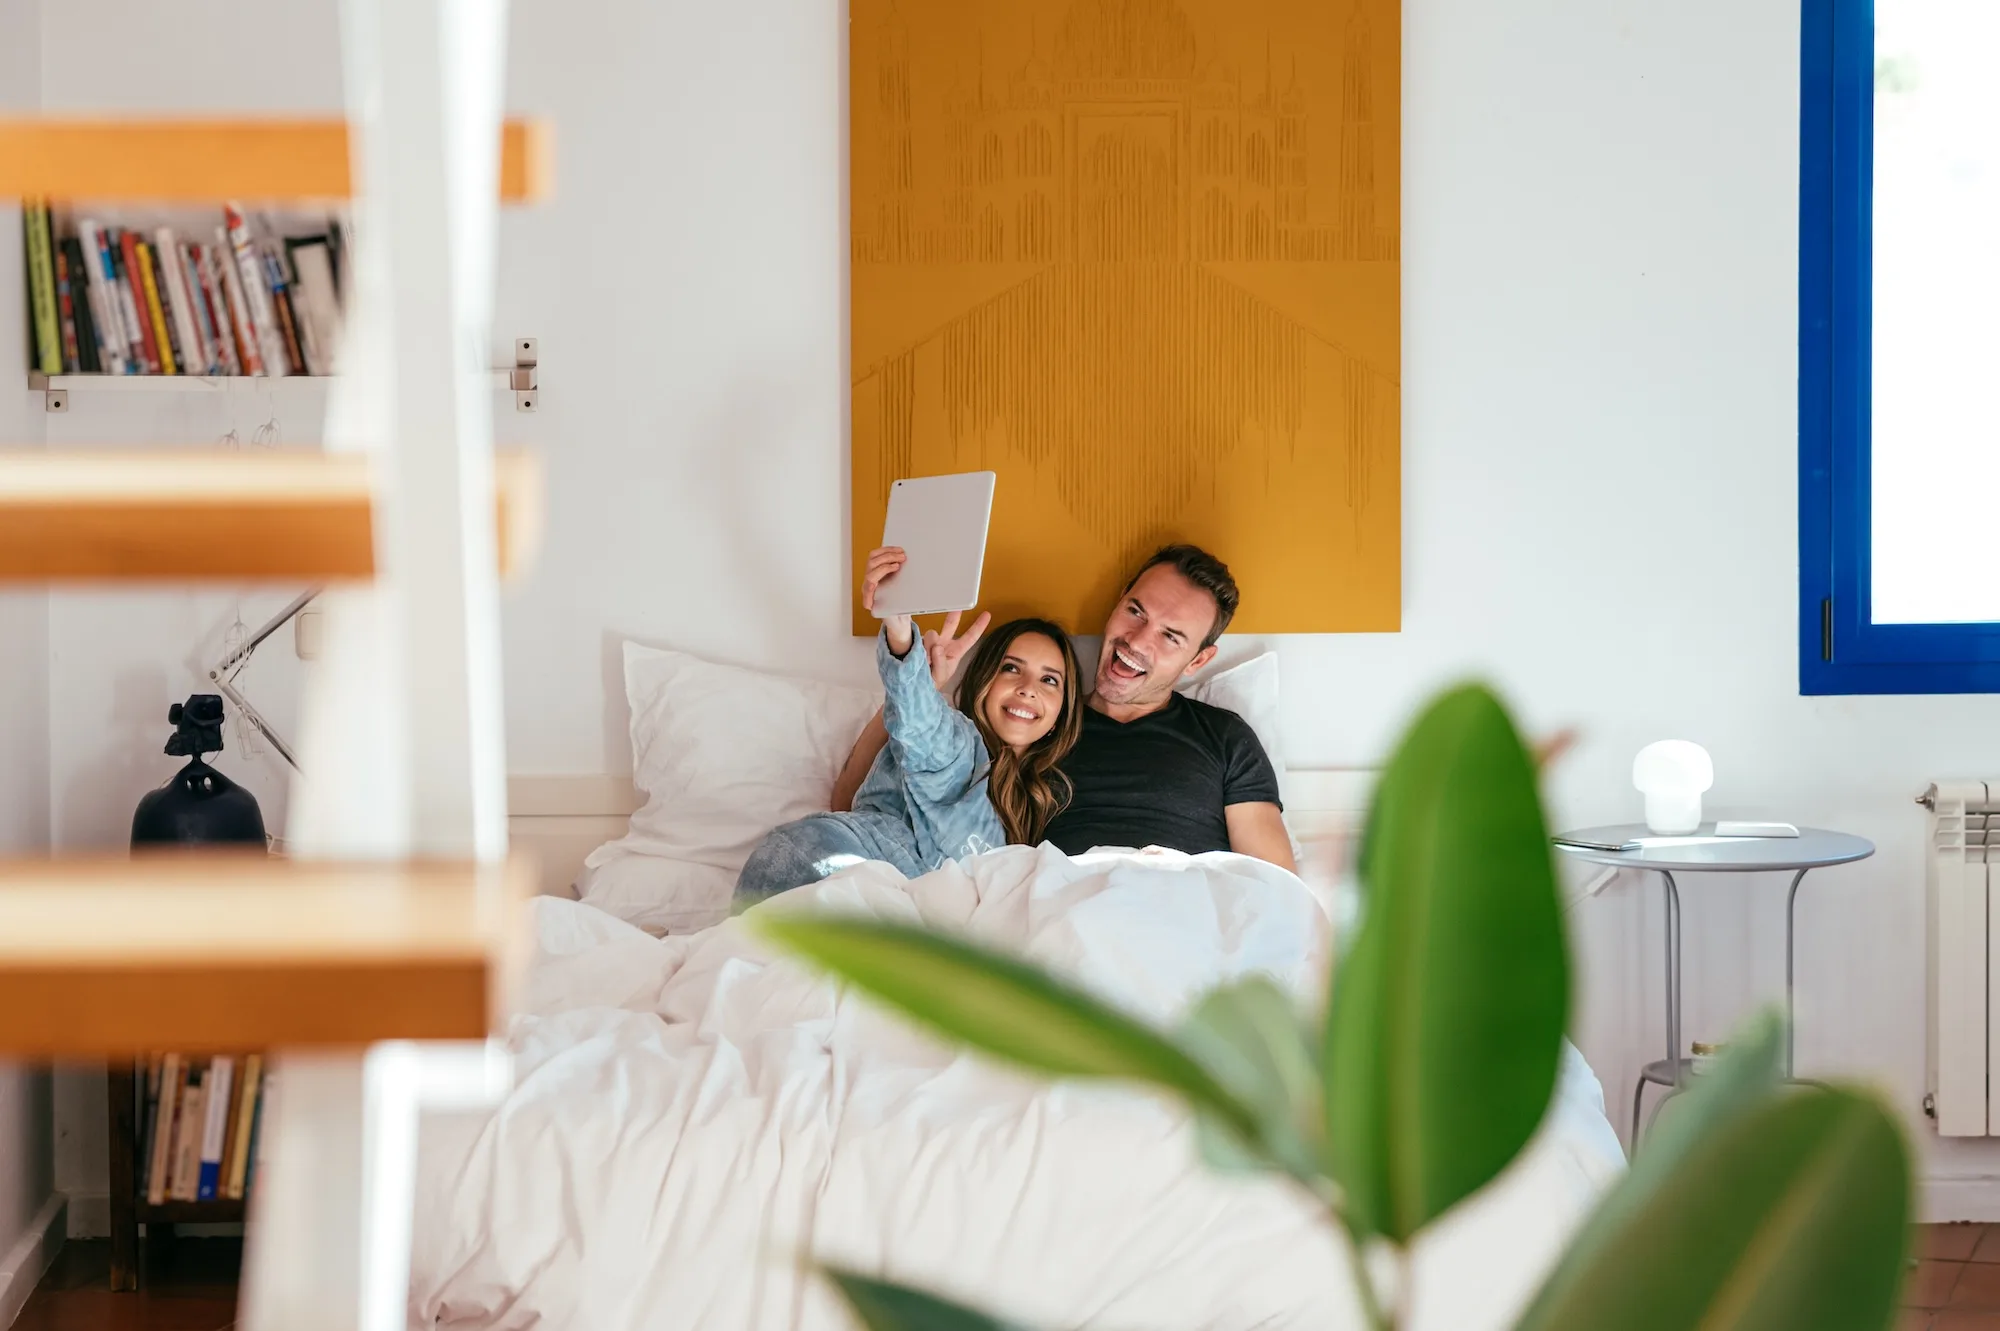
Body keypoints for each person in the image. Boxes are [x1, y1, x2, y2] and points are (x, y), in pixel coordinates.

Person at [835, 544, 1297, 873]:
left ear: (1198, 660)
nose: (1137, 641)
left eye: (1170, 636)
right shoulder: (1032, 724)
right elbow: (853, 804)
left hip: (1183, 916)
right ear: (1117, 603)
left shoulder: (1223, 737)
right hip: (1062, 927)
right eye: (1136, 611)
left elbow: (1273, 886)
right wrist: (918, 688)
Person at [735, 546, 1085, 903]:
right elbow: (924, 727)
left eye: (1049, 680)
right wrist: (903, 642)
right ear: (985, 680)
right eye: (1011, 668)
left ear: (1063, 711)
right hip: (821, 864)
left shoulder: (1034, 807)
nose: (1027, 689)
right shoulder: (959, 743)